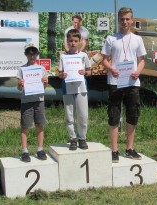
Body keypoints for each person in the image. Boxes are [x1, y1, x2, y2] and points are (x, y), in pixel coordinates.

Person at [101, 7, 147, 163]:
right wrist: (111, 68)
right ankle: (114, 150)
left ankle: (129, 148)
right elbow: (104, 59)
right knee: (114, 115)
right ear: (118, 20)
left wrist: (138, 72)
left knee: (133, 115)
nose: (125, 22)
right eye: (122, 19)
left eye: (127, 19)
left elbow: (142, 61)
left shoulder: (137, 39)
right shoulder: (111, 38)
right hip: (115, 82)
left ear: (132, 20)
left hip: (132, 82)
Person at [58, 29, 91, 150]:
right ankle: (73, 138)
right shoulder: (63, 56)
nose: (73, 43)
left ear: (80, 41)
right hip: (67, 88)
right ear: (67, 41)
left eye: (75, 41)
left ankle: (82, 138)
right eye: (70, 40)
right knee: (69, 115)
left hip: (81, 88)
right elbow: (60, 73)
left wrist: (85, 72)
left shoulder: (83, 55)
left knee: (83, 116)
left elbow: (89, 71)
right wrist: (62, 75)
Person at [17, 42, 49, 162]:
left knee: (39, 125)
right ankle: (24, 151)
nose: (32, 55)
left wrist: (45, 82)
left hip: (39, 100)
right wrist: (20, 84)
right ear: (25, 54)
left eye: (34, 52)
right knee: (25, 126)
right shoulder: (21, 69)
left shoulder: (41, 69)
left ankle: (40, 149)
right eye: (29, 53)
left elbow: (44, 87)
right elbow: (19, 89)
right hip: (26, 101)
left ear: (37, 54)